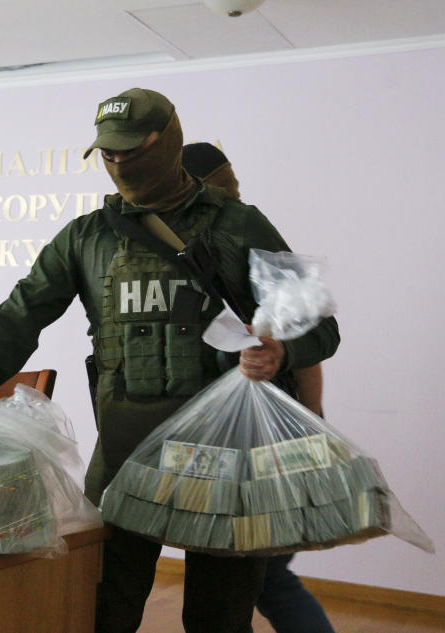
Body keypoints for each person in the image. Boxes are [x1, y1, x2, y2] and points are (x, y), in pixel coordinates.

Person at [0, 88, 340, 633]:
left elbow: (320, 327)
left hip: (225, 453)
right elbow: (21, 315)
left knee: (219, 619)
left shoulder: (237, 224)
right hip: (124, 453)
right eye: (108, 152)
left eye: (132, 150)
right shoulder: (86, 237)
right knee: (103, 609)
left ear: (169, 141)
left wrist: (280, 350)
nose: (119, 162)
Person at [182, 141, 335, 633]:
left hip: (263, 438)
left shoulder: (253, 239)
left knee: (262, 574)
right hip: (252, 435)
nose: (233, 195)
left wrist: (312, 423)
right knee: (262, 574)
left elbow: (312, 334)